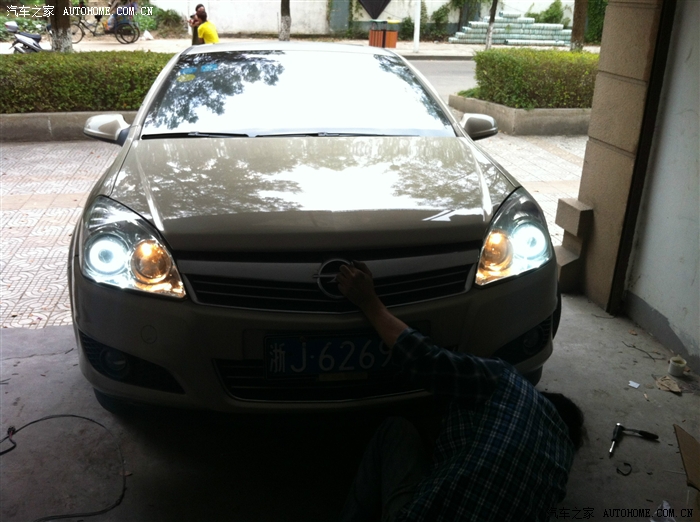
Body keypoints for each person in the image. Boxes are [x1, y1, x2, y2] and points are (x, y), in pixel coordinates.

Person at [336, 261, 584, 522]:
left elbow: (426, 361)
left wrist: (369, 302)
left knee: (396, 431)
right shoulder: (560, 465)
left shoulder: (508, 383)